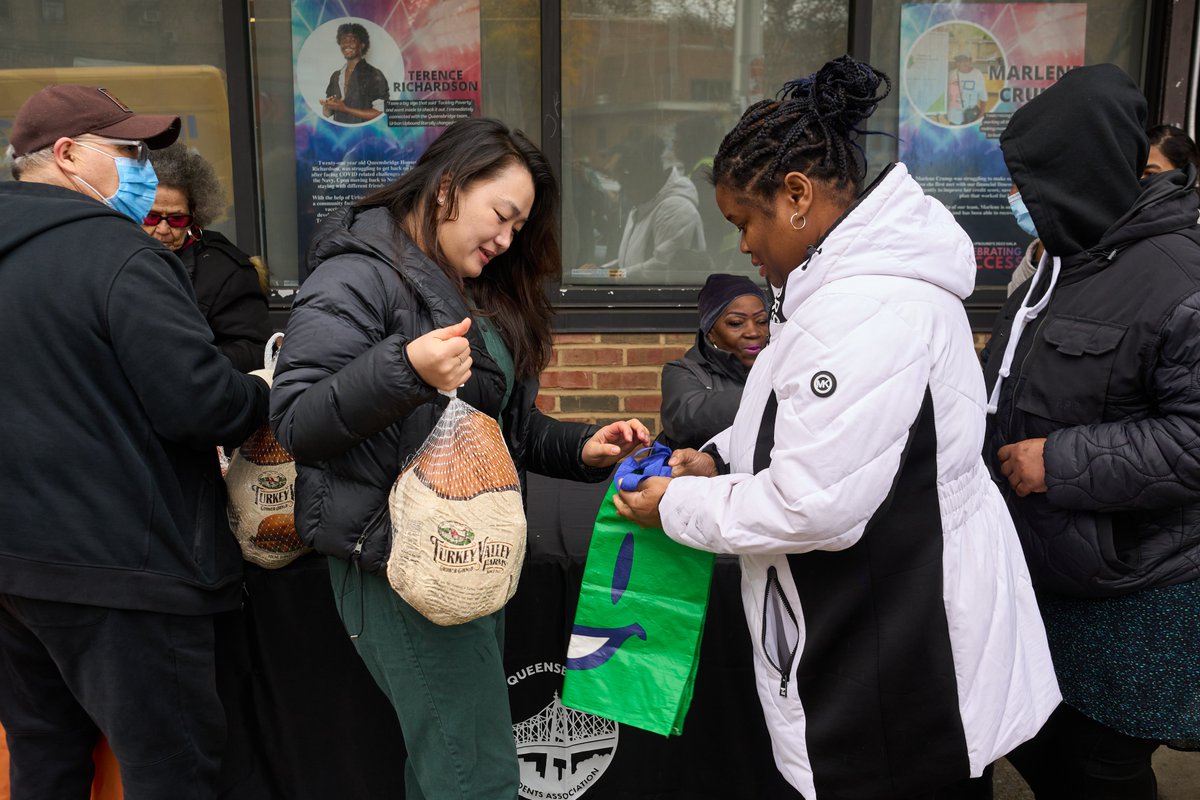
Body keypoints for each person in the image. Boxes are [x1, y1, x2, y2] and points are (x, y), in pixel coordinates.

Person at [612, 55, 1059, 800]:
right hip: (897, 629)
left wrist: (677, 505)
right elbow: (806, 424)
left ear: (797, 195)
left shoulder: (863, 311)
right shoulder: (840, 291)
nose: (744, 246)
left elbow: (812, 501)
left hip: (897, 655)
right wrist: (717, 460)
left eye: (745, 222)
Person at [269, 116, 650, 800]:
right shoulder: (356, 276)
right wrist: (407, 367)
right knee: (476, 777)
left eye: (518, 228)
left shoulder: (466, 285)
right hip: (397, 566)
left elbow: (499, 431)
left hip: (463, 559)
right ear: (447, 188)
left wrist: (582, 447)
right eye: (501, 216)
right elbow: (297, 420)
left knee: (448, 771)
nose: (506, 240)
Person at [0, 84, 269, 797]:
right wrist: (264, 392)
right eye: (128, 151)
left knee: (44, 762)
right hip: (128, 571)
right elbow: (202, 405)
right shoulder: (120, 254)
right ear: (66, 154)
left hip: (14, 572)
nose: (145, 167)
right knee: (172, 774)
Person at [983, 63, 1200, 798]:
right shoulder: (1063, 265)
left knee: (1103, 768)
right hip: (1056, 574)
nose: (1024, 200)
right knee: (1049, 750)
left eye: (1035, 181)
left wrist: (1062, 460)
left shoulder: (1180, 278)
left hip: (1136, 591)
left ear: (1084, 170)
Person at [1007, 124, 1200, 296]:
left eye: (1150, 173)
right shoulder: (1107, 223)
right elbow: (1019, 299)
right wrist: (1049, 242)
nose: (1139, 181)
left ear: (1185, 176)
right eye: (1134, 171)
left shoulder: (1188, 239)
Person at [144, 142, 271, 373]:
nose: (162, 229)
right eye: (151, 217)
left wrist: (189, 362)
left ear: (194, 217)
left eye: (177, 219)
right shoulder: (117, 254)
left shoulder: (228, 271)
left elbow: (254, 351)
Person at [659, 273, 767, 449]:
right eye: (736, 323)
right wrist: (770, 399)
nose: (753, 332)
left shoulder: (779, 365)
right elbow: (687, 418)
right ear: (710, 332)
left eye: (762, 321)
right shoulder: (684, 371)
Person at [613, 131, 709, 282]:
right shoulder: (643, 204)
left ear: (645, 180)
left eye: (628, 187)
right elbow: (630, 262)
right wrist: (600, 271)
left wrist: (613, 275)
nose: (627, 194)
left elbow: (661, 268)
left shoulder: (675, 209)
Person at [322, 21, 389, 124]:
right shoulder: (336, 76)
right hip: (339, 133)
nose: (347, 44)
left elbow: (381, 113)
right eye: (344, 40)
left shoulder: (374, 75)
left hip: (364, 133)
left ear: (362, 45)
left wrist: (346, 109)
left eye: (352, 40)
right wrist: (327, 106)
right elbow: (327, 114)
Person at [947, 54, 987, 125]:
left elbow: (983, 97)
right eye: (959, 61)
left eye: (965, 60)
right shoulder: (951, 74)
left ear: (970, 61)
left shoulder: (977, 74)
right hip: (954, 117)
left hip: (971, 117)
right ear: (956, 62)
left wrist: (981, 115)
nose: (962, 63)